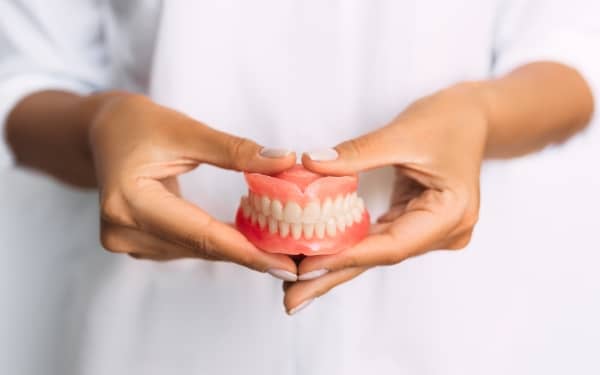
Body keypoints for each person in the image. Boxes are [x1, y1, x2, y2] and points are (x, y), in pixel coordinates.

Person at [2, 1, 600, 374]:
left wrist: (482, 116)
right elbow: (27, 80)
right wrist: (101, 126)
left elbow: (571, 56)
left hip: (458, 333)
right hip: (155, 335)